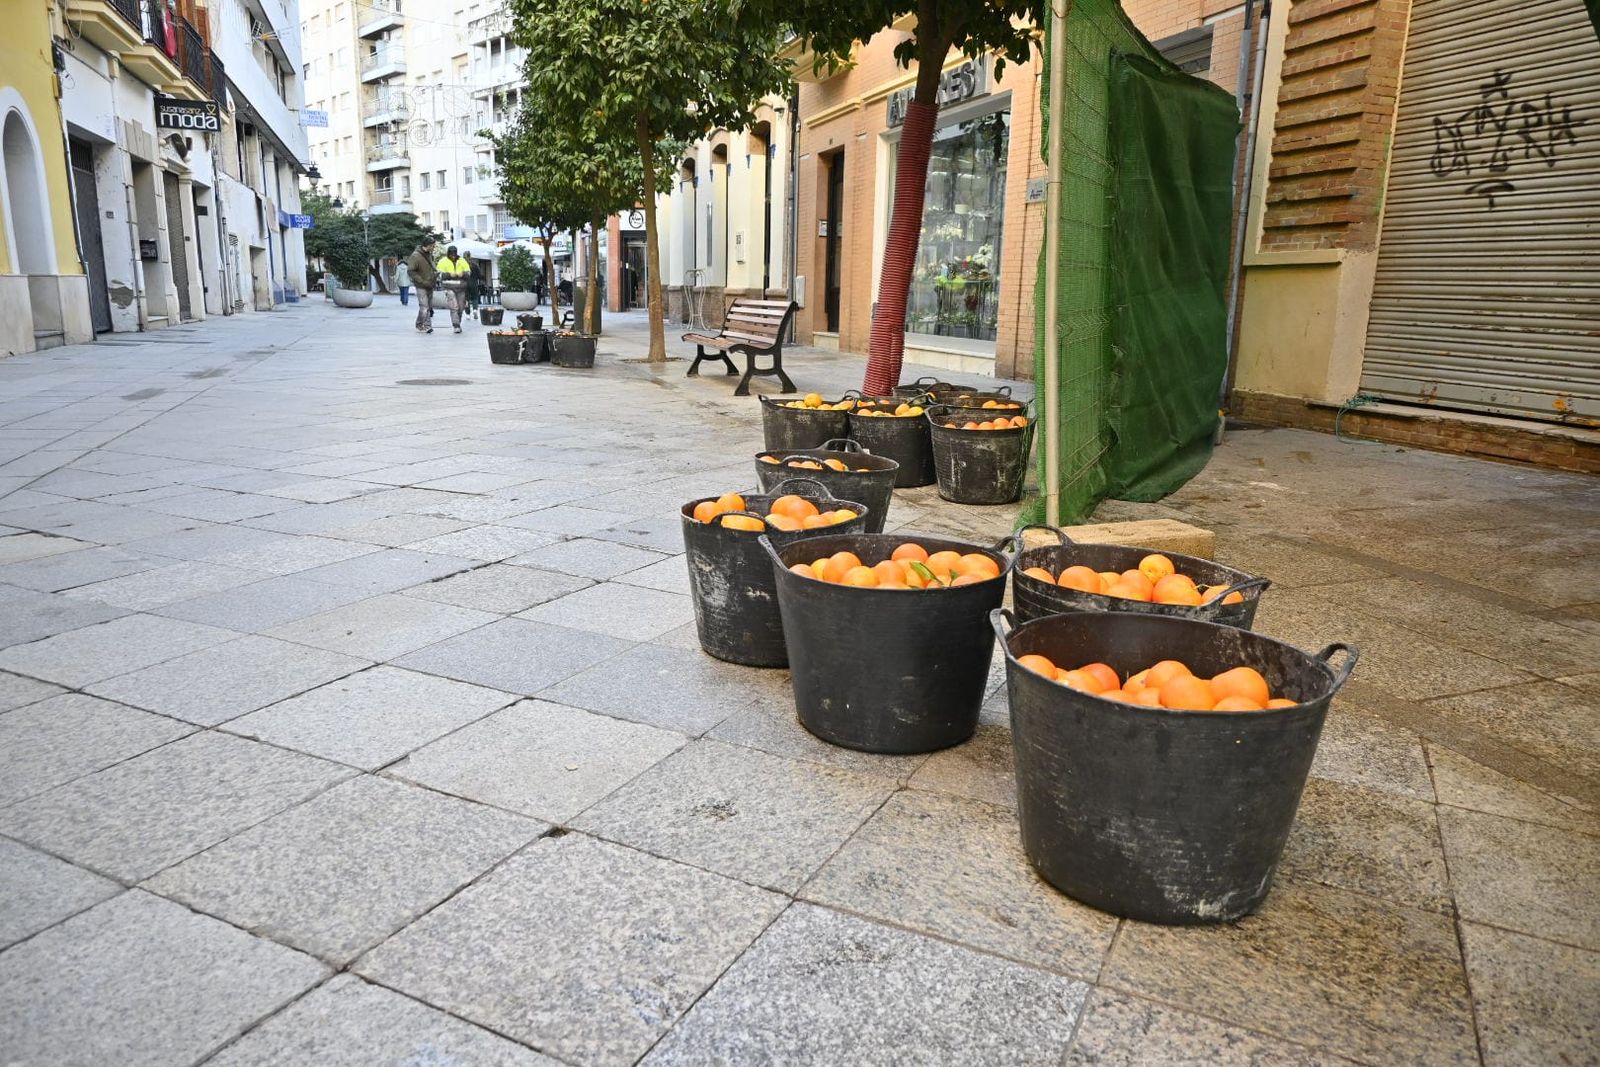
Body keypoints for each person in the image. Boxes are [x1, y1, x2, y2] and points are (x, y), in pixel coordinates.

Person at [434, 245, 473, 333]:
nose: (453, 256)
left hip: (461, 287)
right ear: (448, 253)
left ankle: (457, 321)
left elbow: (468, 273)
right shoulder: (442, 261)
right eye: (451, 254)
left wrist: (462, 274)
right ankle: (456, 325)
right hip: (449, 287)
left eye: (454, 254)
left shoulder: (462, 261)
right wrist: (449, 275)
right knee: (454, 307)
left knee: (461, 307)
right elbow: (438, 275)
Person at [405, 238, 437, 332]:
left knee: (428, 306)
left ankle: (419, 324)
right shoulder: (415, 256)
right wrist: (421, 281)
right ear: (427, 245)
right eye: (432, 246)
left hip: (430, 283)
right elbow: (410, 271)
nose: (434, 247)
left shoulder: (429, 255)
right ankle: (427, 326)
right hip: (421, 285)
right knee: (424, 306)